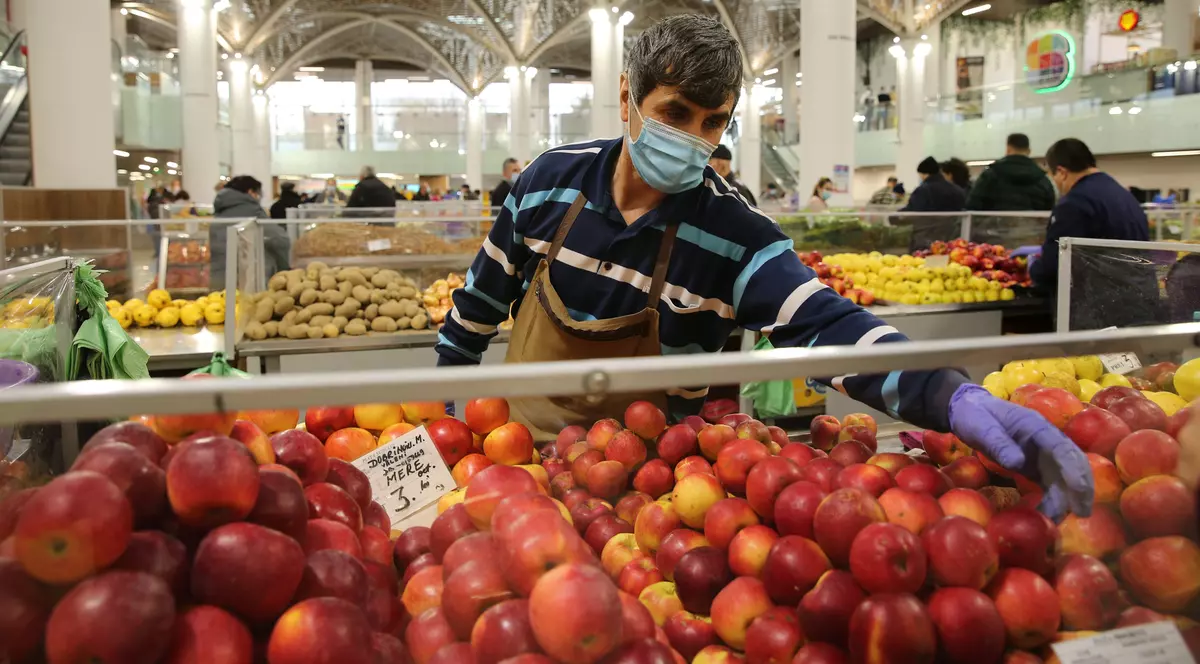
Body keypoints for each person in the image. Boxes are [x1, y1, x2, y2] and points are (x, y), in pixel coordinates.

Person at [435, 14, 1091, 520]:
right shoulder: (551, 183)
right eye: (674, 113)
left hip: (643, 499)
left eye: (713, 122)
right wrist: (440, 423)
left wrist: (949, 393)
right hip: (509, 468)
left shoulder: (733, 234)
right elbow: (476, 310)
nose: (693, 138)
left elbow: (825, 325)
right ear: (628, 98)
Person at [1023, 139, 1157, 329]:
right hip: (1139, 302)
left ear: (1061, 172)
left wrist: (1033, 268)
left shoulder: (1074, 203)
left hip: (1100, 312)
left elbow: (1054, 266)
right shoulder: (1122, 195)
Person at [210, 175, 290, 289]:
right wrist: (284, 268)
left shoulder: (220, 210)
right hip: (249, 281)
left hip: (220, 280)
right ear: (251, 192)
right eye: (258, 194)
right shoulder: (253, 211)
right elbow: (279, 240)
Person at [966, 134, 1056, 211]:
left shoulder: (990, 174)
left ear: (1008, 149)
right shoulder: (1042, 179)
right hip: (1030, 230)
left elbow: (973, 205)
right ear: (1029, 151)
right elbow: (1049, 210)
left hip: (994, 229)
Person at [902, 157, 966, 213]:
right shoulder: (957, 190)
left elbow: (913, 210)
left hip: (926, 226)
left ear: (924, 174)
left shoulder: (922, 191)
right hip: (952, 226)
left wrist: (895, 216)